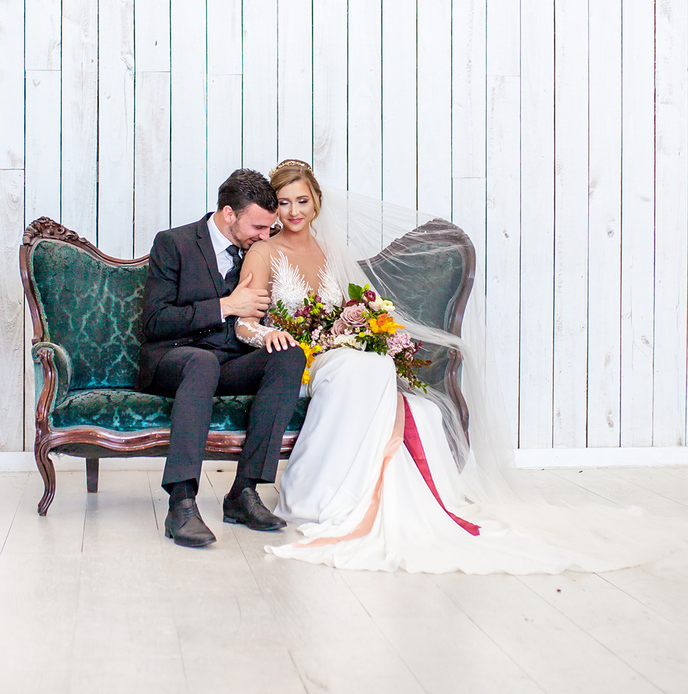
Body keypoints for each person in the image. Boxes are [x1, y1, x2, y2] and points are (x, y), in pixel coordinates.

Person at [235, 159, 688, 573]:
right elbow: (243, 326)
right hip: (300, 362)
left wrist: (362, 332)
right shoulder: (264, 253)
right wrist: (272, 335)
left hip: (344, 352)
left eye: (302, 200)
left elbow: (357, 308)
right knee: (365, 370)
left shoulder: (335, 253)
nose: (294, 211)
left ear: (316, 203)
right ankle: (319, 498)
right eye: (284, 202)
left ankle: (365, 500)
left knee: (381, 374)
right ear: (273, 207)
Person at [137, 168, 306, 548]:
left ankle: (243, 493)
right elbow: (154, 322)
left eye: (269, 228)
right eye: (258, 227)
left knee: (288, 356)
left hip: (228, 362)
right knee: (201, 362)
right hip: (175, 361)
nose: (265, 237)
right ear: (229, 214)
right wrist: (225, 305)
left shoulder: (256, 249)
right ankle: (181, 503)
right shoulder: (173, 243)